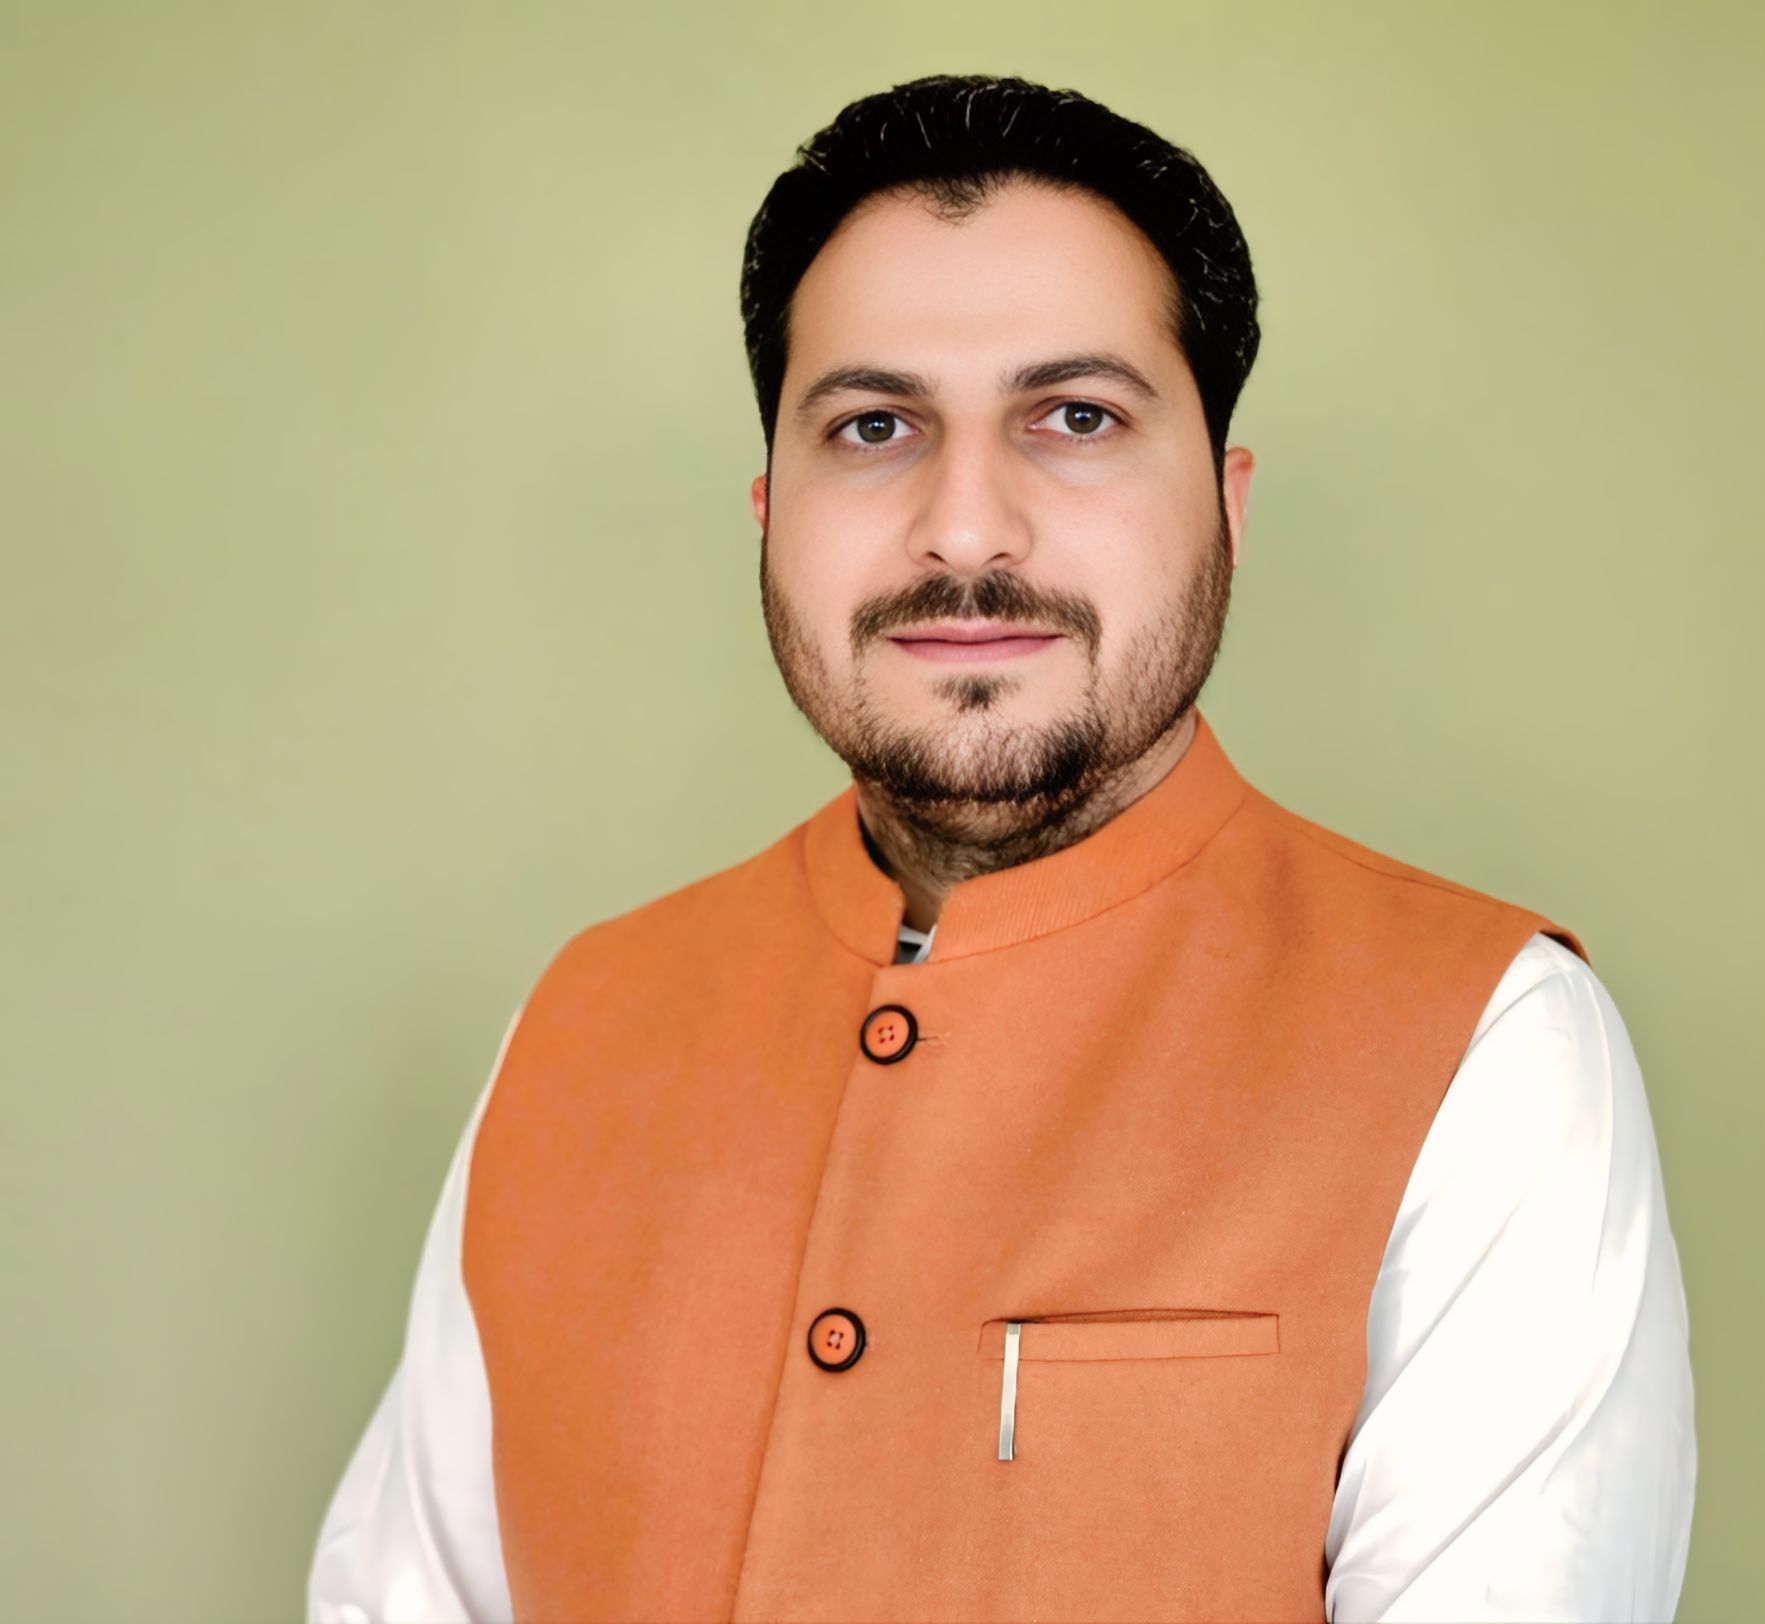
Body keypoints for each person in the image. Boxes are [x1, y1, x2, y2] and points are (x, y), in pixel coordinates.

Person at [307, 73, 1695, 1623]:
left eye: (1078, 418)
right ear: (768, 512)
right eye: (874, 426)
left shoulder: (1489, 1047)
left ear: (1227, 509)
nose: (967, 530)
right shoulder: (578, 1031)